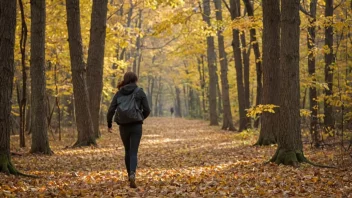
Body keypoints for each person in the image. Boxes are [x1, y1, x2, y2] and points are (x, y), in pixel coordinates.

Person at [107, 72, 150, 188]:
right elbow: (147, 109)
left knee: (127, 150)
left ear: (125, 80)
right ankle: (132, 174)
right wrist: (140, 117)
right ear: (135, 80)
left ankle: (128, 175)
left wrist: (109, 124)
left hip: (123, 126)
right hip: (136, 125)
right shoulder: (139, 92)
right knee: (134, 151)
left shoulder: (119, 93)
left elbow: (111, 110)